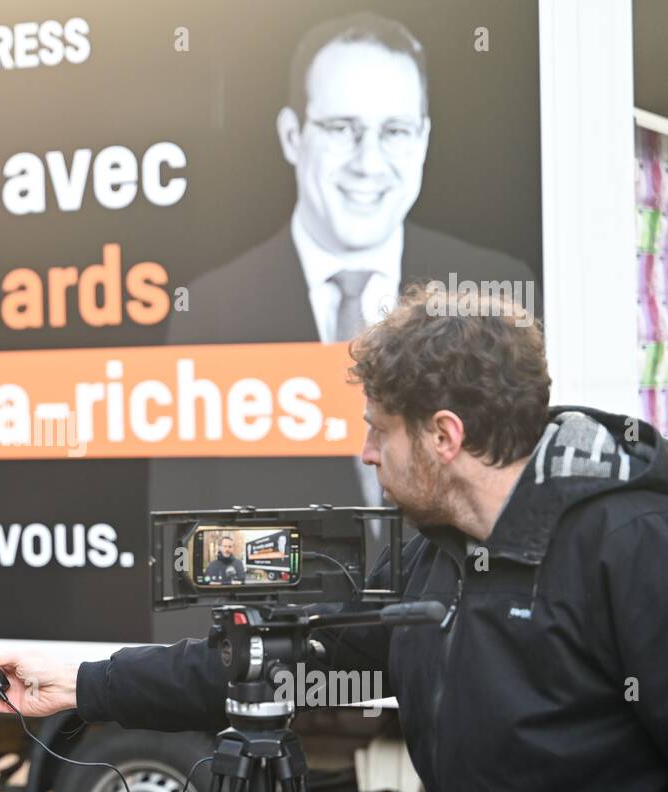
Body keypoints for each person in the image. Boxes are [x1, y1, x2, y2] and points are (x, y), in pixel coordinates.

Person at [0, 284, 668, 792]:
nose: (366, 451)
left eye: (379, 428)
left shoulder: (636, 545)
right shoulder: (430, 554)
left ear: (444, 436)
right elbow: (279, 666)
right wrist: (77, 683)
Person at [154, 12, 539, 540]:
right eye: (342, 128)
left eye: (395, 131)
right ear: (292, 136)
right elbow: (184, 544)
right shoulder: (210, 309)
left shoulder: (492, 288)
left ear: (423, 139)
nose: (369, 162)